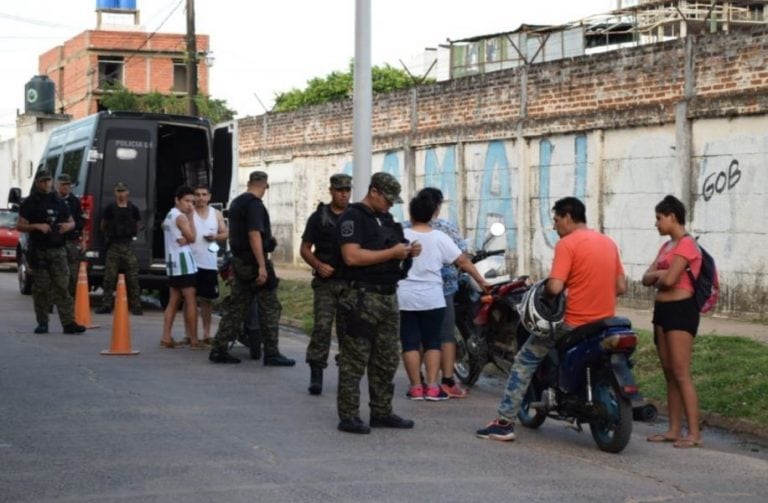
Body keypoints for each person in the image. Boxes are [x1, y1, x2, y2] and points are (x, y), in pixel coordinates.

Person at [476, 196, 626, 441]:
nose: (555, 227)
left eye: (556, 221)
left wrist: (544, 293)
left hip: (571, 323)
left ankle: (503, 422)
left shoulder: (568, 244)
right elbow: (620, 287)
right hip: (603, 322)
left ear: (568, 217)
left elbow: (555, 288)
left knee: (524, 361)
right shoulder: (608, 243)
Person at [335, 171, 421, 434]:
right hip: (361, 297)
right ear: (374, 192)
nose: (390, 204)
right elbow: (351, 256)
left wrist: (408, 251)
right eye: (387, 199)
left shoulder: (386, 219)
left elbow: (394, 248)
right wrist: (391, 253)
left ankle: (382, 411)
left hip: (387, 295)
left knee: (386, 358)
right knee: (354, 359)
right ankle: (349, 415)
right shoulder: (352, 217)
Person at [399, 192, 488, 401]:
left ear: (411, 213)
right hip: (433, 297)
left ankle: (415, 388)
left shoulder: (400, 235)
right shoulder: (441, 236)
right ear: (433, 213)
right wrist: (481, 281)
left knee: (410, 342)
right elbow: (463, 261)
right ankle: (432, 387)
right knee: (433, 342)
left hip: (406, 297)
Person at [209, 170, 295, 366]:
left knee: (236, 308)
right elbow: (254, 234)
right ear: (265, 185)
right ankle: (272, 353)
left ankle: (219, 348)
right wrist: (262, 267)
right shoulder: (255, 205)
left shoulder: (237, 202)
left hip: (239, 263)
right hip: (254, 263)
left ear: (249, 183)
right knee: (271, 307)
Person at [642, 195, 702, 449]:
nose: (656, 223)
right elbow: (646, 278)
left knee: (681, 371)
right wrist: (661, 274)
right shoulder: (666, 247)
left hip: (681, 310)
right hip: (662, 311)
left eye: (659, 218)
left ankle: (694, 433)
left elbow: (669, 281)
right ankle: (673, 429)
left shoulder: (687, 245)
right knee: (668, 373)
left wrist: (661, 275)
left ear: (672, 217)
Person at [416, 187, 472, 398]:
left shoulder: (406, 227)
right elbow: (463, 255)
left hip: (415, 291)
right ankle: (447, 380)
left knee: (419, 337)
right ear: (437, 207)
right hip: (444, 289)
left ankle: (418, 381)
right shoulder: (445, 228)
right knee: (446, 336)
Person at [300, 173, 352, 395]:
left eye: (347, 190)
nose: (344, 194)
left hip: (350, 282)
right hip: (326, 282)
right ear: (331, 191)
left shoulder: (356, 216)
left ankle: (347, 374)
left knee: (348, 330)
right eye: (340, 190)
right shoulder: (318, 217)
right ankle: (316, 372)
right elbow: (305, 248)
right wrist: (318, 264)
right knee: (322, 327)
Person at [16, 170, 86, 334]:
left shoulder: (59, 201)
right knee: (41, 289)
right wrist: (36, 226)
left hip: (58, 249)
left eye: (48, 180)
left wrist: (68, 226)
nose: (46, 183)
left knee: (63, 287)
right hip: (39, 250)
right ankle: (42, 322)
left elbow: (72, 222)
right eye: (43, 181)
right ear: (37, 183)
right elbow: (20, 225)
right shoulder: (30, 202)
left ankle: (68, 323)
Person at [161, 185, 203, 349]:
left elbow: (167, 229)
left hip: (172, 262)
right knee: (191, 300)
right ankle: (194, 340)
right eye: (187, 201)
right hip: (184, 263)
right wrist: (191, 217)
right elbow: (192, 237)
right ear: (177, 200)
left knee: (173, 300)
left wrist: (183, 238)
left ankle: (166, 336)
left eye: (192, 202)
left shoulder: (170, 215)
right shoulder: (181, 217)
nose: (190, 205)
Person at [97, 182, 142, 315]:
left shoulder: (133, 208)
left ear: (127, 192)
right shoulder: (110, 208)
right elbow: (103, 225)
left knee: (133, 277)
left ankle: (136, 306)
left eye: (123, 191)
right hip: (114, 245)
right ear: (115, 193)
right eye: (118, 191)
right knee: (109, 277)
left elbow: (137, 225)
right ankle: (106, 304)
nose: (121, 194)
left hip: (127, 245)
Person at [191, 184, 228, 345]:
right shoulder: (189, 213)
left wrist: (215, 237)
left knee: (207, 300)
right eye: (197, 195)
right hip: (191, 263)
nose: (200, 198)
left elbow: (225, 233)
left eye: (204, 195)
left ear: (209, 197)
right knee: (189, 300)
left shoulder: (216, 213)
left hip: (209, 263)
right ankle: (190, 335)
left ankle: (206, 334)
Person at [55, 173, 85, 298]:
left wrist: (83, 240)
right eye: (63, 184)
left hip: (71, 241)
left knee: (73, 273)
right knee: (56, 272)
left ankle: (70, 299)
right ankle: (53, 299)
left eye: (68, 184)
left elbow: (81, 222)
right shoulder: (52, 199)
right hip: (56, 242)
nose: (66, 187)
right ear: (57, 185)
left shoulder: (74, 201)